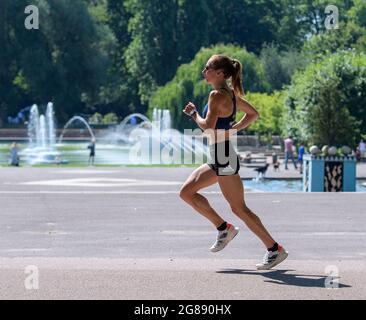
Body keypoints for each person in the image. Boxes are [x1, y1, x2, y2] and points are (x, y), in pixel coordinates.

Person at [180, 54, 288, 270]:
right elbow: (253, 114)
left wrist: (193, 114)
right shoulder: (230, 95)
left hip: (224, 156)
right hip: (219, 155)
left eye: (208, 68)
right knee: (187, 192)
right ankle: (223, 228)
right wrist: (233, 129)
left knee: (239, 209)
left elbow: (207, 126)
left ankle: (274, 249)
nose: (204, 72)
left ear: (220, 73)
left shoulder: (216, 95)